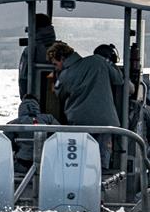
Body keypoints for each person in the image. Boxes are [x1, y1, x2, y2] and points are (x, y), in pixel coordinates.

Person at [46, 41, 124, 169]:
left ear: (63, 58)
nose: (56, 68)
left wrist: (54, 78)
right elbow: (119, 79)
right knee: (101, 161)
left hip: (80, 123)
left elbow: (59, 93)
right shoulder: (98, 61)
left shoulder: (64, 76)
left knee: (82, 162)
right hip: (106, 122)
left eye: (55, 64)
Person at [6, 94, 58, 172]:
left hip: (22, 164)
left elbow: (5, 143)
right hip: (46, 164)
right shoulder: (49, 119)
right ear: (37, 106)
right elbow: (60, 135)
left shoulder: (14, 123)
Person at [18, 13, 57, 99]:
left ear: (33, 28)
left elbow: (23, 79)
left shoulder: (30, 51)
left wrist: (25, 100)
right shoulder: (62, 48)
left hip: (36, 99)